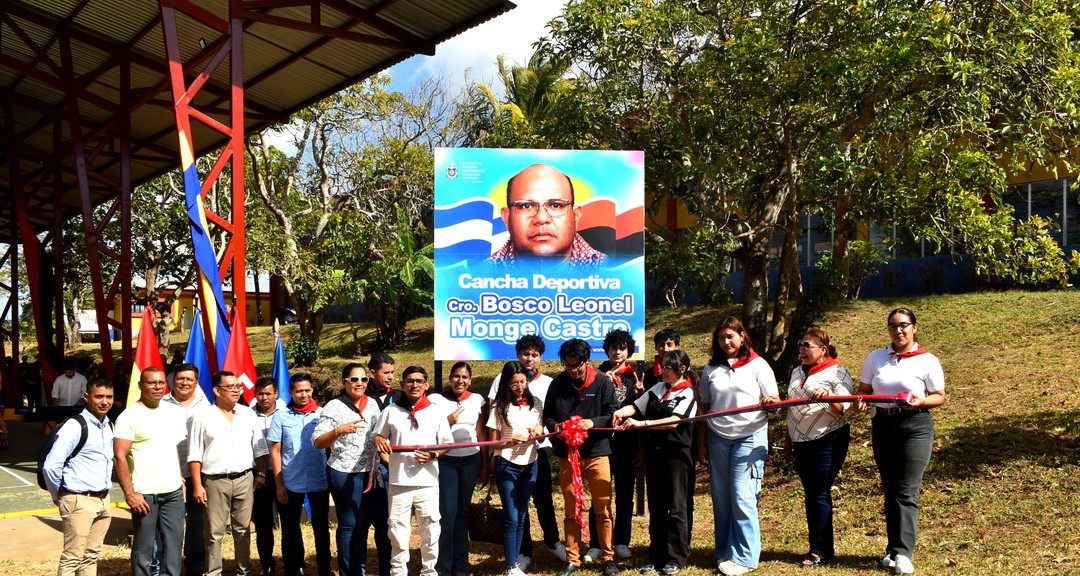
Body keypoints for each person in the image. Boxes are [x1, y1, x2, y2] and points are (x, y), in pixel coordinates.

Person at [855, 308, 946, 575]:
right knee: (890, 489)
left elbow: (939, 396)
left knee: (907, 489)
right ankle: (892, 550)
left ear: (914, 328)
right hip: (883, 424)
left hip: (915, 425)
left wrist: (921, 400)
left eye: (904, 325)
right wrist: (860, 401)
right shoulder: (876, 358)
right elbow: (864, 392)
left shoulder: (927, 359)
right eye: (893, 326)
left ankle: (904, 553)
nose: (898, 331)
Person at [697, 316, 779, 576]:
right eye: (721, 337)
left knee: (743, 496)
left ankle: (744, 557)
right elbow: (704, 408)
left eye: (731, 336)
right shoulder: (711, 369)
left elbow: (775, 402)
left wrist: (770, 401)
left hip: (750, 436)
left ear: (742, 336)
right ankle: (724, 552)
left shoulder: (758, 365)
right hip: (717, 437)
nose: (726, 341)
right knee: (721, 498)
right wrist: (701, 443)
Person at [612, 350, 698, 575]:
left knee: (677, 507)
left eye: (668, 367)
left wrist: (643, 424)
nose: (662, 371)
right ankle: (656, 556)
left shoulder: (688, 393)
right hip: (655, 454)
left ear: (681, 369)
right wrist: (621, 412)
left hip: (677, 456)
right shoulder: (658, 388)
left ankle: (676, 558)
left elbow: (674, 422)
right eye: (662, 366)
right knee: (656, 507)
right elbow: (637, 406)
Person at [543, 338, 620, 576]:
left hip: (597, 453)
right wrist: (556, 427)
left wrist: (592, 422)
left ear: (586, 361)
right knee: (571, 508)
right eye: (568, 365)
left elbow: (611, 413)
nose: (573, 370)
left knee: (603, 508)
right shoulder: (558, 384)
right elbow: (547, 417)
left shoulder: (601, 382)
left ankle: (608, 557)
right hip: (568, 455)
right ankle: (573, 559)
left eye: (577, 365)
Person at [487, 334, 566, 566]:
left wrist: (541, 431)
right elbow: (495, 419)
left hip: (537, 452)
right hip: (507, 455)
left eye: (534, 354)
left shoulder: (548, 383)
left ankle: (553, 542)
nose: (529, 358)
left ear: (540, 357)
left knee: (543, 500)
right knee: (517, 509)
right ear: (517, 355)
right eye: (525, 354)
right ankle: (523, 553)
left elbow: (547, 417)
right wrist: (497, 452)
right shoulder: (501, 382)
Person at [784, 328, 855, 568]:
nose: (802, 349)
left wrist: (828, 397)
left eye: (808, 346)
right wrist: (788, 438)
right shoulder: (796, 372)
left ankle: (820, 550)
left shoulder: (838, 371)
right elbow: (792, 407)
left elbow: (845, 407)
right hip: (800, 441)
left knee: (818, 492)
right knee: (812, 493)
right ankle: (820, 546)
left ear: (823, 350)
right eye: (800, 344)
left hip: (828, 439)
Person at [187, 371, 270, 576]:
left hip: (245, 479)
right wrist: (197, 485)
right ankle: (213, 572)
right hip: (215, 481)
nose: (236, 390)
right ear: (216, 390)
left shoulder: (247, 413)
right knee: (215, 533)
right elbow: (195, 453)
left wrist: (260, 474)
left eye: (238, 387)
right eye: (230, 387)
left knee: (243, 529)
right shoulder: (202, 416)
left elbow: (260, 449)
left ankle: (244, 570)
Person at [373, 366, 451, 576]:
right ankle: (398, 572)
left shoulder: (436, 411)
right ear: (402, 385)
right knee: (397, 531)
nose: (414, 385)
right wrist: (380, 441)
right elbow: (378, 436)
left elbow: (446, 443)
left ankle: (429, 571)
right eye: (409, 381)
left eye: (419, 381)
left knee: (431, 530)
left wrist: (433, 455)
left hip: (428, 482)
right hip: (399, 483)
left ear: (426, 385)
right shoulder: (390, 411)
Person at [114, 366, 188, 576]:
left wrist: (179, 478)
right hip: (145, 494)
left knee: (174, 544)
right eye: (151, 383)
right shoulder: (129, 416)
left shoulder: (169, 411)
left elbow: (170, 446)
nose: (157, 387)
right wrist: (130, 493)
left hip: (172, 491)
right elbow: (119, 456)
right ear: (140, 385)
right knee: (144, 548)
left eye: (161, 383)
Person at [311, 362, 383, 576]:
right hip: (344, 472)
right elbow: (317, 441)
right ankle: (347, 571)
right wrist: (339, 430)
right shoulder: (334, 406)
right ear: (344, 382)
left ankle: (358, 568)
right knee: (349, 524)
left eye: (364, 379)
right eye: (354, 379)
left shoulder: (373, 404)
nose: (359, 383)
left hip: (371, 472)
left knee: (364, 524)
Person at [42, 377, 115, 576]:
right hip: (78, 499)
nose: (104, 402)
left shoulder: (108, 425)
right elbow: (51, 466)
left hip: (102, 499)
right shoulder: (75, 426)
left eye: (109, 397)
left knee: (91, 555)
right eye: (99, 396)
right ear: (86, 397)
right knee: (72, 557)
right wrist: (60, 496)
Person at [585, 329, 644, 562]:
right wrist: (600, 384)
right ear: (606, 350)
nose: (617, 352)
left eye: (621, 348)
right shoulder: (595, 375)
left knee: (625, 494)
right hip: (600, 444)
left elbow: (643, 410)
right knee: (600, 495)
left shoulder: (636, 377)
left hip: (627, 444)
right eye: (612, 348)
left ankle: (621, 541)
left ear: (628, 350)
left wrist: (641, 393)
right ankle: (596, 542)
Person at [270, 372, 332, 576]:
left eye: (307, 390)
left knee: (321, 527)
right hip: (291, 481)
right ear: (291, 392)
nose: (303, 395)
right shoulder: (280, 416)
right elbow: (276, 451)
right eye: (299, 391)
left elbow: (330, 447)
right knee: (289, 529)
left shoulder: (323, 414)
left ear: (312, 390)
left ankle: (324, 568)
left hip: (319, 480)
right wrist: (279, 484)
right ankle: (293, 567)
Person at [429, 362, 488, 576]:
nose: (460, 381)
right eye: (456, 376)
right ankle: (443, 566)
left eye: (464, 377)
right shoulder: (436, 400)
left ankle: (460, 566)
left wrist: (484, 466)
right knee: (448, 512)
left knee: (463, 513)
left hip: (471, 461)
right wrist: (448, 421)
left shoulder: (477, 400)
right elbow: (430, 430)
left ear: (470, 380)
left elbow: (481, 435)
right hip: (446, 461)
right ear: (450, 378)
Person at [487, 361, 545, 576]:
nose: (520, 387)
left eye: (523, 382)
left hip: (531, 463)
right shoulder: (499, 407)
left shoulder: (535, 402)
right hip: (507, 464)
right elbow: (493, 443)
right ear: (506, 384)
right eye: (514, 384)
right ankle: (510, 566)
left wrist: (539, 429)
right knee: (511, 516)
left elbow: (539, 427)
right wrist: (511, 441)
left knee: (522, 514)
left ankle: (517, 561)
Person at [489, 164, 605, 267]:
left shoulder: (609, 270)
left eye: (555, 205)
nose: (541, 218)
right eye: (526, 206)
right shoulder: (480, 276)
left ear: (575, 216)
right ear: (507, 218)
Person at [161, 362, 211, 576]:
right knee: (170, 526)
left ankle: (196, 566)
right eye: (180, 378)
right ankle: (168, 567)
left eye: (189, 379)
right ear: (173, 380)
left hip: (199, 475)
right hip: (169, 473)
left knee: (198, 524)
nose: (184, 382)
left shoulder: (206, 404)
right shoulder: (161, 403)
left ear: (196, 382)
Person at [358, 352, 397, 576]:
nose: (390, 377)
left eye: (393, 372)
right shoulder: (358, 397)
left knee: (385, 525)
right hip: (364, 469)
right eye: (386, 373)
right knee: (361, 524)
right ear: (372, 373)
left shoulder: (398, 398)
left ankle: (387, 570)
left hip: (392, 468)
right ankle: (358, 568)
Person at [250, 378, 284, 576]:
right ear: (255, 394)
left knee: (289, 524)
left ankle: (294, 563)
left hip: (283, 475)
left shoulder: (286, 413)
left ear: (276, 394)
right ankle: (267, 565)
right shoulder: (246, 414)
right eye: (260, 393)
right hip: (258, 476)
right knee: (263, 524)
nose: (264, 397)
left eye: (268, 393)